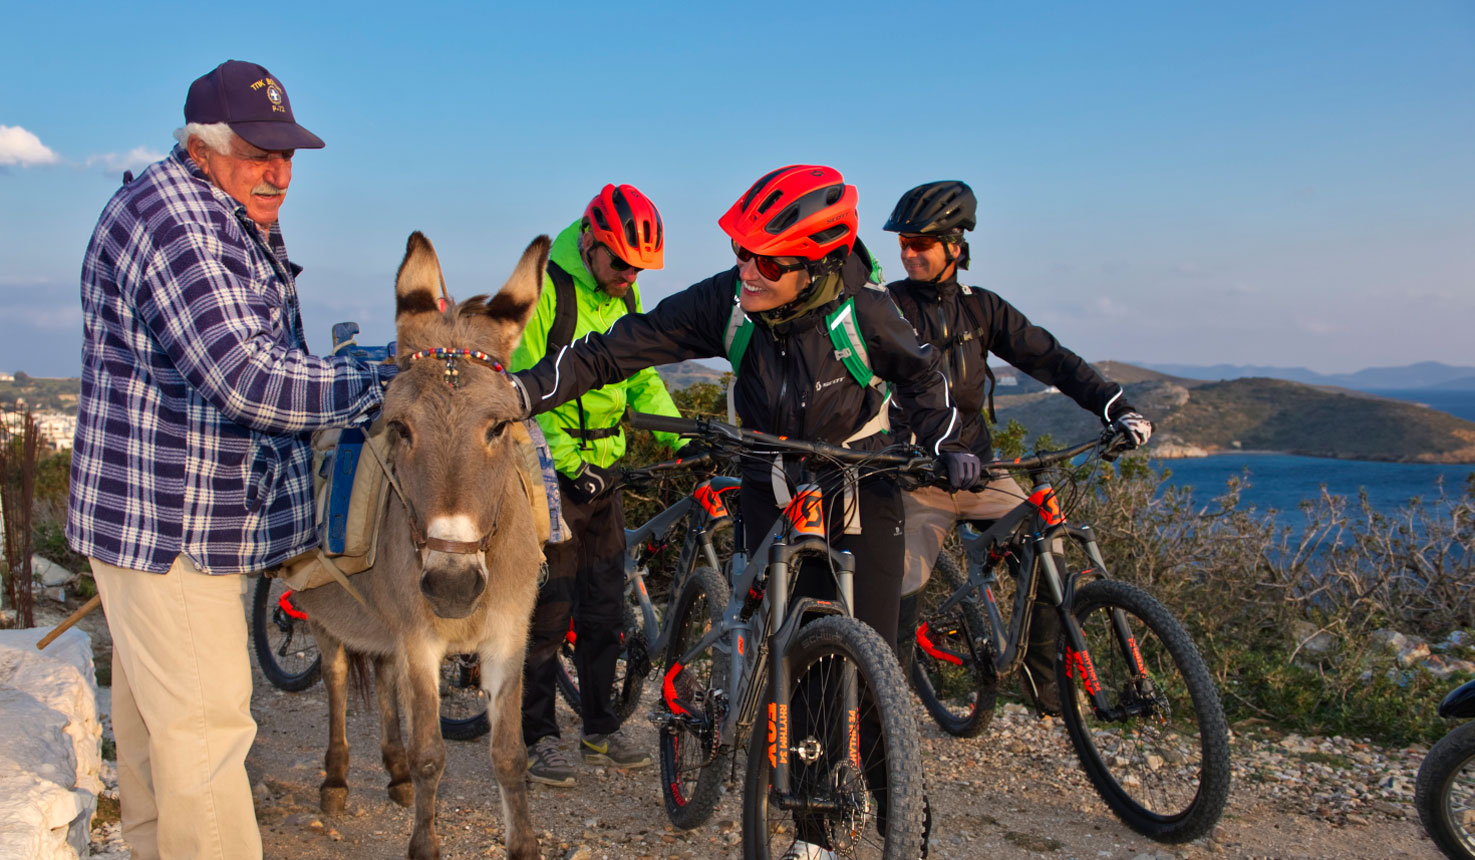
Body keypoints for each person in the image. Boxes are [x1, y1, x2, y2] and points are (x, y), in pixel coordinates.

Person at [512, 166, 979, 857]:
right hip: (772, 479)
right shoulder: (727, 302)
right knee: (787, 645)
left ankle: (899, 826)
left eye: (765, 261)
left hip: (860, 479)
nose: (746, 272)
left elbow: (923, 378)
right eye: (740, 253)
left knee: (871, 655)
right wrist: (517, 393)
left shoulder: (865, 308)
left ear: (815, 263)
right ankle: (812, 831)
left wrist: (944, 442)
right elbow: (611, 353)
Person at [66, 61, 394, 860]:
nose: (278, 173)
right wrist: (389, 379)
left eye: (286, 155)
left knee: (159, 741)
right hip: (172, 528)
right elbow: (247, 376)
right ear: (202, 146)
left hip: (166, 521)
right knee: (208, 737)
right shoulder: (174, 221)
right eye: (257, 153)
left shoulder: (221, 208)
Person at [881, 180, 1153, 714]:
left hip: (981, 469)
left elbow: (1052, 360)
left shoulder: (983, 309)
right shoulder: (884, 307)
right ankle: (883, 707)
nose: (909, 253)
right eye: (903, 245)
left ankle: (1043, 680)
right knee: (899, 590)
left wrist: (1116, 407)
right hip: (915, 477)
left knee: (1043, 550)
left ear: (955, 247)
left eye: (921, 244)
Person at [513, 184, 688, 786]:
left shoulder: (624, 295)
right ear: (589, 242)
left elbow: (640, 379)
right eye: (620, 261)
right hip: (554, 475)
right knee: (550, 611)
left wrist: (681, 435)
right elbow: (522, 389)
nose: (629, 274)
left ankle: (599, 728)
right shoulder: (546, 295)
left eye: (638, 267)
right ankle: (537, 738)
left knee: (604, 611)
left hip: (605, 474)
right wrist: (564, 460)